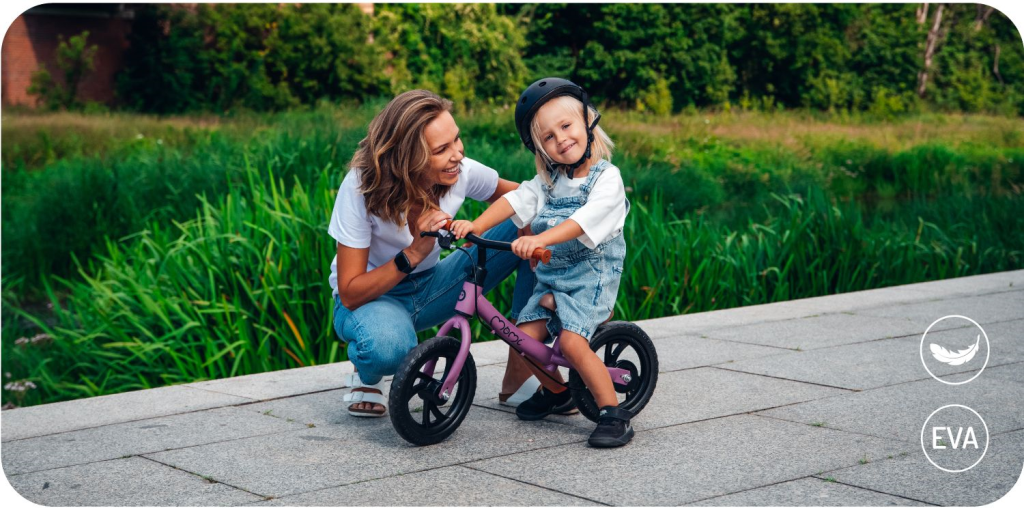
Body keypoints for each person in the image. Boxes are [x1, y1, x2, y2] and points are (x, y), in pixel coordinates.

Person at [449, 78, 633, 447]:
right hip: (553, 277)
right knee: (522, 339)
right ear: (540, 149)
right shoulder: (548, 180)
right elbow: (516, 201)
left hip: (590, 277)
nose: (561, 139)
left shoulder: (606, 179)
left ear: (588, 121)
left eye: (566, 126)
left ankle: (614, 413)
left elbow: (582, 221)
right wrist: (476, 224)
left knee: (571, 342)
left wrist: (538, 238)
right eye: (548, 137)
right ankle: (558, 392)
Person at [329, 90, 536, 417]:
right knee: (389, 349)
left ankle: (520, 372)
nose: (458, 154)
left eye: (457, 139)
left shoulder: (460, 171)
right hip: (371, 300)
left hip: (433, 287)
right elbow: (351, 292)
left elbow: (527, 194)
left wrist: (480, 226)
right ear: (406, 158)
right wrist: (413, 253)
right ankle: (367, 377)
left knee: (538, 221)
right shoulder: (361, 188)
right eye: (442, 149)